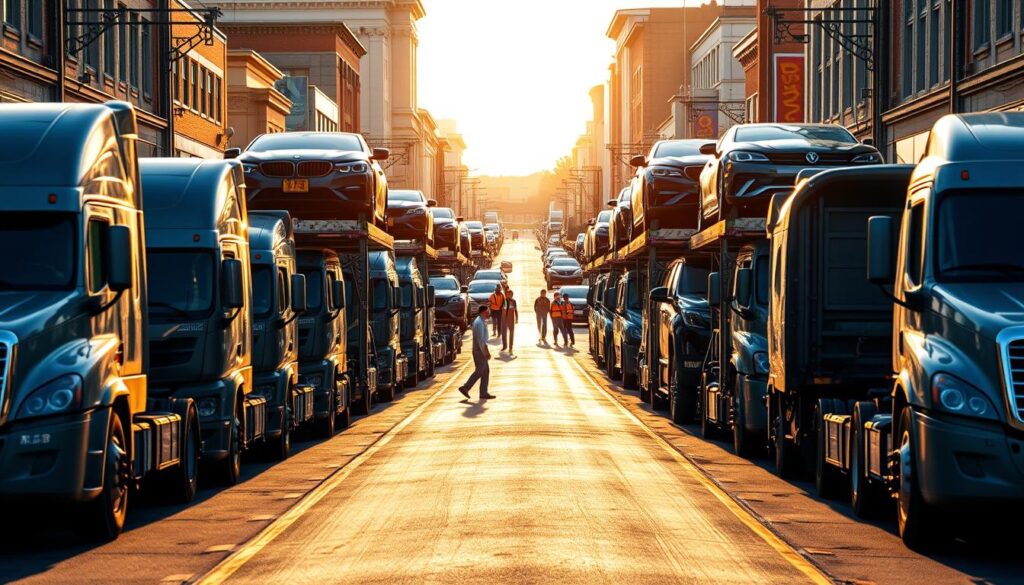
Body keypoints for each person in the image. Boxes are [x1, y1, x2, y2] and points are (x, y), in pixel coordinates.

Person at [459, 306, 496, 400]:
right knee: (480, 371)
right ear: (483, 312)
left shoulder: (482, 321)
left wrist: (486, 350)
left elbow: (483, 340)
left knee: (485, 371)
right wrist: (485, 353)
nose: (489, 314)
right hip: (479, 351)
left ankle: (483, 392)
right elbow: (480, 340)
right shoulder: (479, 323)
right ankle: (466, 387)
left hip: (481, 349)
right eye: (488, 312)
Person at [502, 289, 519, 354]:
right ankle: (504, 346)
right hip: (504, 320)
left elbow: (515, 310)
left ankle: (510, 348)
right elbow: (502, 310)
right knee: (504, 334)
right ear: (506, 295)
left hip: (511, 320)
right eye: (508, 294)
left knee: (511, 334)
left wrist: (517, 318)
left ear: (512, 295)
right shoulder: (504, 301)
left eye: (511, 294)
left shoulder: (514, 301)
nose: (510, 295)